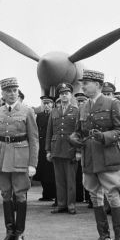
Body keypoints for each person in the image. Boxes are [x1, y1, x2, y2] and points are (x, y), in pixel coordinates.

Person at [71, 69, 120, 240]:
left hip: (108, 157)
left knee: (112, 196)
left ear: (98, 85)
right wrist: (74, 138)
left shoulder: (113, 104)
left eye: (87, 82)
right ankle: (104, 239)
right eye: (83, 82)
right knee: (95, 196)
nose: (83, 85)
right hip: (89, 158)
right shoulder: (83, 107)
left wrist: (104, 136)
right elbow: (78, 131)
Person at [0, 77, 39, 240]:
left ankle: (20, 233)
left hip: (20, 156)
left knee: (20, 194)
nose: (12, 94)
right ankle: (9, 232)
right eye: (8, 91)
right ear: (2, 94)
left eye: (14, 91)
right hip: (2, 157)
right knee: (5, 194)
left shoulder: (27, 111)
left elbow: (34, 139)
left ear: (18, 92)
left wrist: (32, 164)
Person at [46, 83, 80, 214]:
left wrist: (78, 151)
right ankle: (61, 204)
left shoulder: (76, 111)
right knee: (59, 179)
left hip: (70, 149)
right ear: (59, 96)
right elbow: (49, 132)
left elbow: (78, 132)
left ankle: (71, 205)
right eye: (61, 94)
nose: (64, 96)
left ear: (71, 95)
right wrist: (48, 150)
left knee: (70, 180)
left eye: (66, 93)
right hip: (56, 149)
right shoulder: (54, 111)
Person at [35, 95, 57, 204]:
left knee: (51, 171)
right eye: (45, 103)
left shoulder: (55, 115)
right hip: (41, 145)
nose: (46, 105)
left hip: (51, 145)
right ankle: (46, 194)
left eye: (49, 103)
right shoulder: (39, 116)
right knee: (43, 170)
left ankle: (53, 193)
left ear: (52, 104)